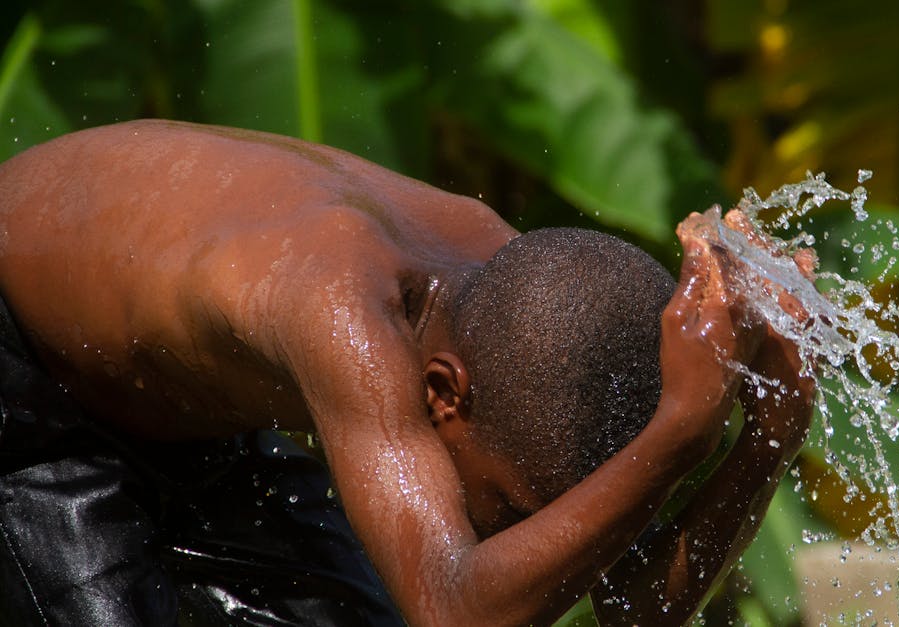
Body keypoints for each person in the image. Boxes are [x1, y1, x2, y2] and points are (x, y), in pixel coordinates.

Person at [0, 119, 813, 626]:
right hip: (26, 386)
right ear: (443, 393)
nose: (506, 537)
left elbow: (634, 607)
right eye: (507, 509)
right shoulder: (343, 309)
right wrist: (678, 433)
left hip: (182, 415)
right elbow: (455, 610)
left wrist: (769, 435)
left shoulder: (512, 309)